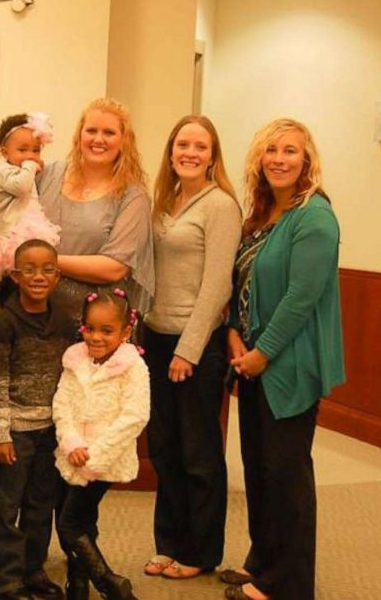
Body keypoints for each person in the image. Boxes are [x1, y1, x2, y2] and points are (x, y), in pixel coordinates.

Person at [220, 118, 345, 600]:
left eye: (291, 150)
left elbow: (302, 297)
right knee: (258, 467)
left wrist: (263, 353)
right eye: (271, 149)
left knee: (286, 473)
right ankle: (263, 562)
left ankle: (286, 584)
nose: (279, 158)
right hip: (250, 358)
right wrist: (234, 334)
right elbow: (244, 282)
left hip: (288, 364)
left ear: (306, 159)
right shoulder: (263, 212)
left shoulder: (315, 216)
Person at [142, 116, 242, 581]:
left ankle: (201, 551)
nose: (190, 152)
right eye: (182, 143)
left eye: (200, 146)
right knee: (163, 448)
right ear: (170, 150)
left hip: (194, 346)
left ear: (213, 155)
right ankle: (169, 543)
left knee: (198, 453)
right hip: (155, 339)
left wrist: (190, 349)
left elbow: (218, 284)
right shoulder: (163, 202)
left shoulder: (220, 206)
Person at [0, 240, 76, 600]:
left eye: (47, 269)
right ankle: (3, 577)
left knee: (41, 503)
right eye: (30, 270)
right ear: (17, 276)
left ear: (57, 276)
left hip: (51, 432)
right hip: (15, 432)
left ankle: (32, 569)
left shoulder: (64, 322)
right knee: (7, 505)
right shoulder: (5, 324)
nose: (39, 276)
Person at [53, 289, 150, 600]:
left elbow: (135, 416)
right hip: (71, 455)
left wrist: (94, 457)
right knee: (82, 521)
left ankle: (109, 582)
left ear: (125, 331)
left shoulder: (133, 368)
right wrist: (71, 444)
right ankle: (77, 585)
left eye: (106, 331)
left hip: (102, 461)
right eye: (89, 328)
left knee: (69, 525)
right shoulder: (75, 360)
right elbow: (62, 405)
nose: (95, 337)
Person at [36, 98, 154, 322]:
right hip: (37, 311)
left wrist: (43, 261)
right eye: (91, 130)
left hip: (97, 323)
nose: (98, 139)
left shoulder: (133, 196)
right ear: (79, 135)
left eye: (109, 133)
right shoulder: (46, 174)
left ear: (124, 141)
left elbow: (114, 268)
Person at [0, 113, 61, 315]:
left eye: (35, 150)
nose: (30, 155)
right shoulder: (5, 171)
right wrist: (30, 165)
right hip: (8, 229)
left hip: (24, 224)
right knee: (8, 264)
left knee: (23, 266)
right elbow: (20, 187)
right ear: (5, 152)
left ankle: (13, 301)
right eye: (22, 150)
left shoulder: (23, 171)